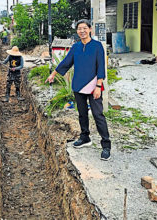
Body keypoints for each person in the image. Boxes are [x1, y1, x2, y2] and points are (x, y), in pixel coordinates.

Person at [45, 19, 112, 161]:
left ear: (90, 30)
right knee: (82, 114)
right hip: (78, 85)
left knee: (98, 115)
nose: (82, 31)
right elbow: (66, 62)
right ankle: (85, 137)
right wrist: (53, 74)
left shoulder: (97, 46)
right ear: (77, 31)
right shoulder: (75, 47)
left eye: (84, 28)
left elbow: (101, 67)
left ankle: (106, 145)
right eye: (79, 29)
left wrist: (99, 86)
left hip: (94, 85)